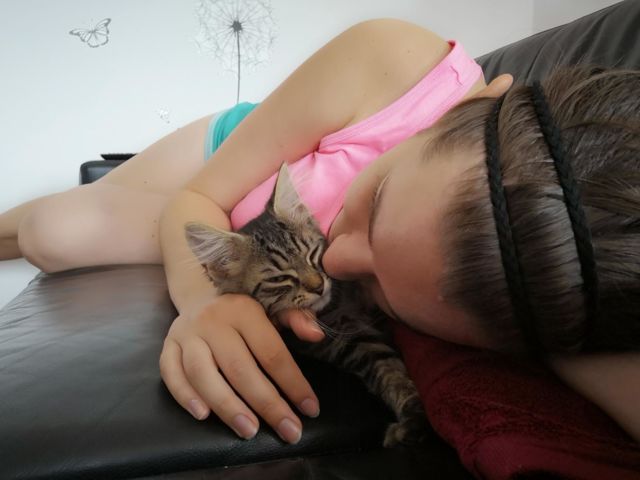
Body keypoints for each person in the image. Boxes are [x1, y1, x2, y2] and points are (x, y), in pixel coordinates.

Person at [0, 19, 638, 445]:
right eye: (377, 200)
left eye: (381, 290)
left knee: (54, 234)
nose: (337, 260)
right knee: (49, 224)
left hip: (249, 242)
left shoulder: (537, 270)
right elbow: (198, 199)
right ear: (478, 104)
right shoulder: (391, 58)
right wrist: (204, 300)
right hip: (227, 163)